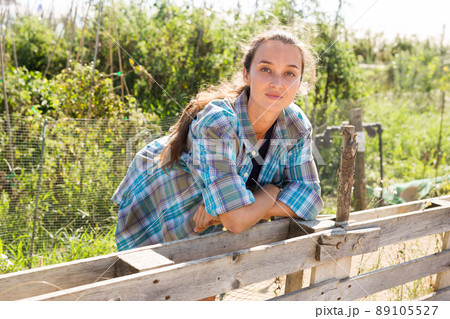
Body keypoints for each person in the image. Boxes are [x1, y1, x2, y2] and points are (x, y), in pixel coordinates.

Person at [112, 28, 324, 251]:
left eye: (290, 73)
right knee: (148, 279)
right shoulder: (219, 122)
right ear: (246, 74)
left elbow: (310, 198)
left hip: (206, 227)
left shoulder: (295, 124)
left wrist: (230, 207)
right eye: (266, 69)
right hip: (160, 202)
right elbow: (235, 220)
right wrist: (270, 193)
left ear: (300, 82)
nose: (278, 83)